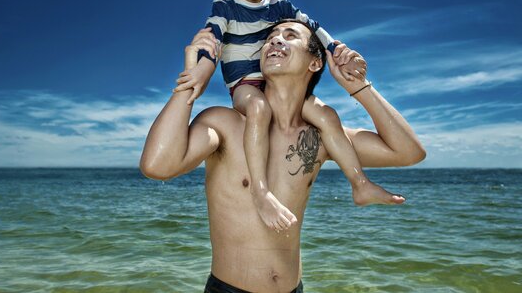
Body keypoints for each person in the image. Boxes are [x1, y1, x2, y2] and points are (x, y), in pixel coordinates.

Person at [141, 19, 426, 292]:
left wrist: (358, 86)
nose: (275, 39)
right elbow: (157, 166)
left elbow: (408, 152)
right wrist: (190, 84)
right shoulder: (225, 124)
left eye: (290, 36)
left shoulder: (323, 137)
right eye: (270, 38)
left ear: (315, 63)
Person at [175, 0, 401, 233]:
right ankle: (260, 190)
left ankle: (360, 184)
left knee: (326, 115)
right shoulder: (224, 5)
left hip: (274, 84)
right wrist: (199, 74)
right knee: (258, 109)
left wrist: (338, 50)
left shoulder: (280, 3)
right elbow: (211, 39)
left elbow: (314, 28)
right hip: (244, 84)